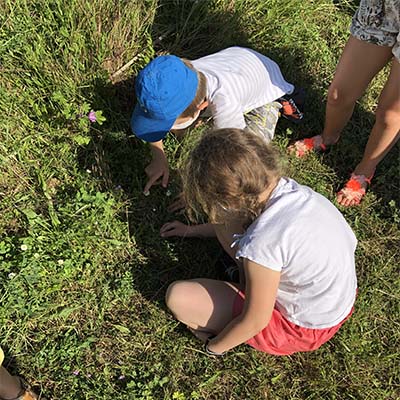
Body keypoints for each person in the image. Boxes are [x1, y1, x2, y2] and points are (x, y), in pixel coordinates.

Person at [164, 128, 357, 356]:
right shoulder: (294, 193)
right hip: (333, 303)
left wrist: (214, 347)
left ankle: (240, 286)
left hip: (298, 328)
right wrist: (194, 231)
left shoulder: (264, 242)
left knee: (178, 297)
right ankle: (243, 281)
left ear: (229, 198)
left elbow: (255, 320)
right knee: (225, 222)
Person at [131, 47, 303, 195]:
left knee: (251, 152)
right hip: (238, 60)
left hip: (266, 87)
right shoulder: (175, 76)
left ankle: (277, 105)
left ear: (201, 107)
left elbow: (235, 157)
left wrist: (196, 191)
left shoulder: (225, 104)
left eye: (168, 124)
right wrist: (159, 156)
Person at [289, 0, 400, 206]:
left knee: (390, 114)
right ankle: (328, 137)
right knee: (338, 95)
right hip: (384, 7)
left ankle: (365, 169)